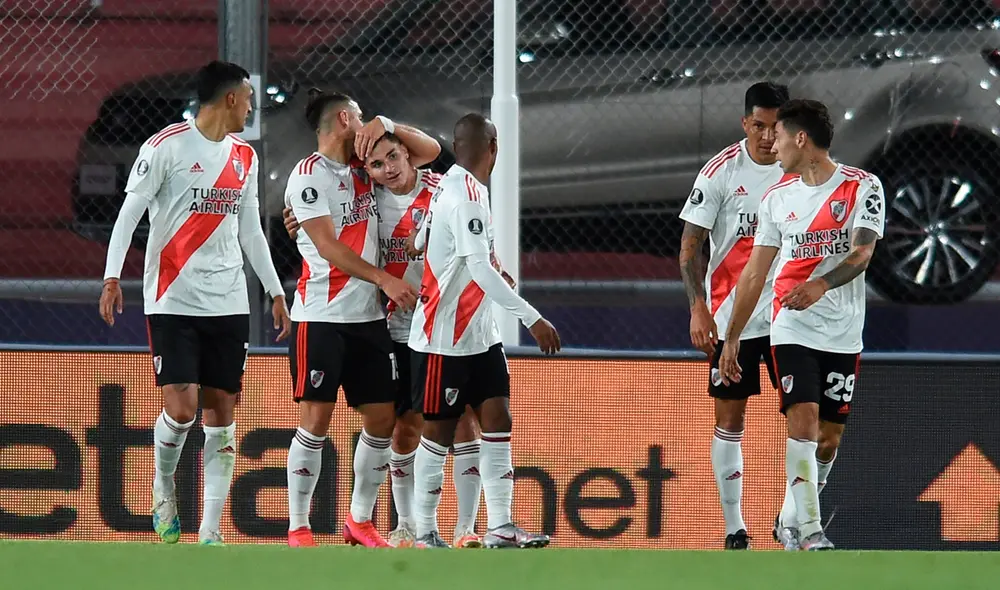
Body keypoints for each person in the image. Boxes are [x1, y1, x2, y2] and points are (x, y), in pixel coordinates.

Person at [99, 60, 290, 546]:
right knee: (183, 409)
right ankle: (163, 489)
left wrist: (273, 290)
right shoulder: (165, 147)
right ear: (229, 99)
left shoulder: (244, 157)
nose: (252, 105)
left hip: (228, 303)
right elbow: (129, 214)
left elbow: (250, 229)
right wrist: (111, 276)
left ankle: (209, 530)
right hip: (172, 298)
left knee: (222, 416)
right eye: (248, 97)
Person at [281, 132, 494, 548]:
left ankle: (466, 528)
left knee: (463, 420)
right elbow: (322, 221)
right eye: (376, 164)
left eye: (393, 156)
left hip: (444, 322)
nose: (387, 168)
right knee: (404, 428)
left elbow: (439, 160)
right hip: (393, 324)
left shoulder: (442, 187)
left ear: (407, 153)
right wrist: (297, 222)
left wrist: (385, 122)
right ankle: (405, 525)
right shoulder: (368, 195)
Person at [718, 99, 885, 551]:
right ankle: (811, 530)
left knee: (828, 441)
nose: (772, 145)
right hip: (791, 328)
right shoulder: (777, 198)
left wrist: (821, 284)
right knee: (804, 424)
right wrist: (731, 336)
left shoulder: (862, 187)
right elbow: (754, 273)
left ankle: (789, 518)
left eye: (780, 136)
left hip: (844, 331)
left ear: (802, 139)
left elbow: (863, 253)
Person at [282, 88, 441, 549]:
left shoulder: (363, 168)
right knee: (316, 418)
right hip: (321, 315)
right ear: (344, 120)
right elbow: (329, 248)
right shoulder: (307, 178)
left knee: (382, 418)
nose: (367, 123)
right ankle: (298, 526)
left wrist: (388, 123)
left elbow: (428, 152)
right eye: (361, 116)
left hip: (367, 319)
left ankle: (358, 519)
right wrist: (385, 280)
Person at [408, 113, 560, 549]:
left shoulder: (447, 186)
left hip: (481, 335)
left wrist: (486, 264)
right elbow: (474, 266)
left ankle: (502, 525)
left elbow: (421, 241)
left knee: (498, 419)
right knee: (438, 432)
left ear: (458, 147)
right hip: (444, 338)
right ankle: (424, 531)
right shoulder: (469, 196)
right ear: (493, 147)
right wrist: (533, 317)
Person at [678, 81, 791, 550]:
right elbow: (689, 247)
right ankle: (734, 528)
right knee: (730, 420)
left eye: (775, 127)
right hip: (731, 320)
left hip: (789, 319)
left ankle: (791, 521)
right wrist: (698, 307)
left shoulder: (799, 171)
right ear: (745, 123)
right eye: (759, 126)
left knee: (803, 420)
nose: (767, 137)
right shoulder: (721, 172)